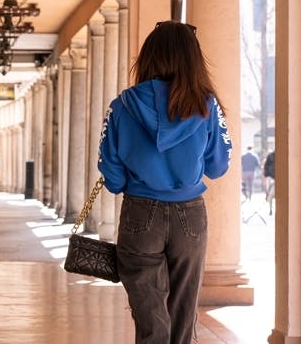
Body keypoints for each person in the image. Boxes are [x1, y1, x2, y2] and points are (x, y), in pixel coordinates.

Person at [98, 21, 232, 344]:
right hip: (190, 216)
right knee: (184, 316)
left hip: (140, 215)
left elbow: (112, 178)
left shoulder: (121, 106)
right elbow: (218, 166)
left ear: (149, 57)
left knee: (150, 322)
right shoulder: (206, 106)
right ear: (192, 59)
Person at [263, 150, 275, 215]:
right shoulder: (270, 156)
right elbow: (266, 167)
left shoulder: (270, 156)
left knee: (270, 195)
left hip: (272, 177)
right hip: (271, 177)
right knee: (270, 194)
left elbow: (266, 167)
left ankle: (271, 209)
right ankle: (270, 209)